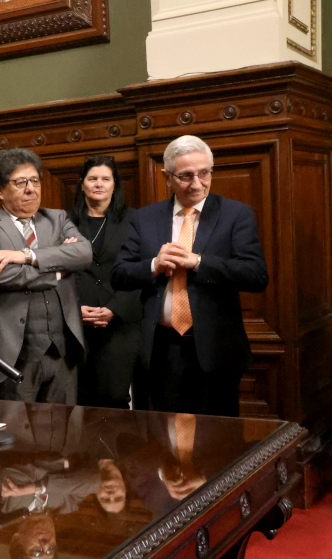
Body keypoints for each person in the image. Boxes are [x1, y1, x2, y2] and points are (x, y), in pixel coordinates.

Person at [112, 135, 268, 417]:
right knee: (165, 441)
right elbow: (119, 275)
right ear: (167, 177)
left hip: (216, 348)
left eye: (204, 173)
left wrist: (198, 262)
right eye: (185, 176)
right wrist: (154, 265)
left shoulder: (236, 214)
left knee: (218, 443)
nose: (197, 184)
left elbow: (255, 275)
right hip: (161, 348)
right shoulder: (145, 218)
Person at [0, 148, 91, 404]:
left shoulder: (57, 218)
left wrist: (26, 256)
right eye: (20, 182)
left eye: (34, 181)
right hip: (11, 355)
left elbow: (83, 252)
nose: (30, 189)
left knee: (63, 436)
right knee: (17, 438)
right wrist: (58, 271)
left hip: (62, 353)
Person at [68, 156, 142, 409]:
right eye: (92, 179)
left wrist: (114, 309)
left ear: (114, 185)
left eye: (105, 179)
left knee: (114, 396)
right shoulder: (65, 223)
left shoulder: (135, 220)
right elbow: (56, 273)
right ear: (82, 184)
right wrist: (73, 308)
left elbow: (143, 271)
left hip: (120, 322)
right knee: (80, 398)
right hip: (77, 322)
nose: (99, 184)